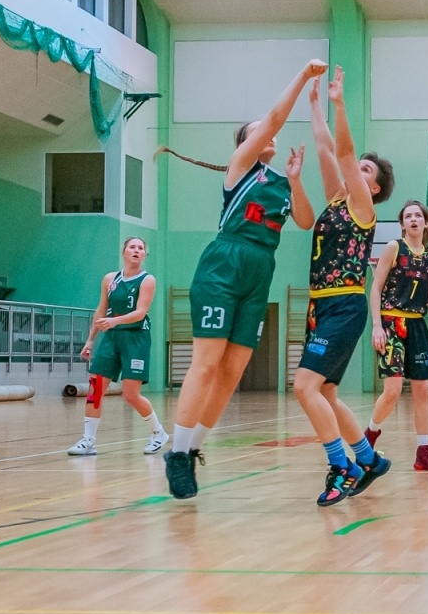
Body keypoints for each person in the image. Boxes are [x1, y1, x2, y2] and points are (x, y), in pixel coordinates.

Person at [162, 58, 323, 500]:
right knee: (207, 363)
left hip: (260, 269)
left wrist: (296, 180)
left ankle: (192, 450)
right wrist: (304, 76)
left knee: (232, 373)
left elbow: (307, 221)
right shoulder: (240, 169)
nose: (268, 134)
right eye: (258, 132)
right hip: (224, 265)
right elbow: (275, 118)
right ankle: (175, 452)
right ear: (248, 142)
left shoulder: (279, 183)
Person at [293, 68, 396, 507]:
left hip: (345, 306)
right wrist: (314, 103)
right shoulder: (337, 199)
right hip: (320, 307)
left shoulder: (361, 206)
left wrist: (339, 104)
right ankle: (369, 458)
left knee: (304, 387)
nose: (355, 168)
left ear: (371, 187)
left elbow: (345, 150)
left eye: (365, 170)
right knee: (326, 392)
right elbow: (325, 149)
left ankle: (343, 466)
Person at [364, 200, 428, 471]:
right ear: (402, 224)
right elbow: (375, 290)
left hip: (417, 325)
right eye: (408, 216)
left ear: (425, 223)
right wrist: (376, 325)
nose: (413, 219)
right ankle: (368, 437)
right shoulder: (394, 248)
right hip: (391, 323)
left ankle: (424, 453)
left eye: (417, 215)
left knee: (422, 390)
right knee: (393, 391)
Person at [69, 236, 169, 457]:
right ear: (124, 252)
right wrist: (90, 340)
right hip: (111, 338)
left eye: (140, 248)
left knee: (130, 394)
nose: (136, 250)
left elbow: (140, 312)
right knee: (95, 390)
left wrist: (115, 321)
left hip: (136, 338)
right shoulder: (109, 279)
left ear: (144, 255)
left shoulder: (147, 280)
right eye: (132, 247)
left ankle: (158, 432)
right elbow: (101, 309)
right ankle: (89, 440)